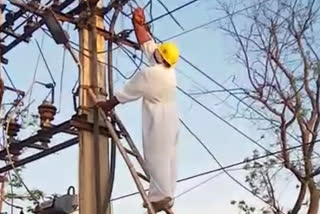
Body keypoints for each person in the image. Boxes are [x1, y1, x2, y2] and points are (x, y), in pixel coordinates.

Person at [97, 7, 180, 212]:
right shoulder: (167, 70)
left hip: (159, 118)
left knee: (157, 155)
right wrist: (138, 23)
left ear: (162, 58)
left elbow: (127, 92)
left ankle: (160, 196)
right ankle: (165, 196)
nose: (156, 53)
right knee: (168, 157)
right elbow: (148, 45)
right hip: (170, 116)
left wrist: (106, 105)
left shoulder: (152, 74)